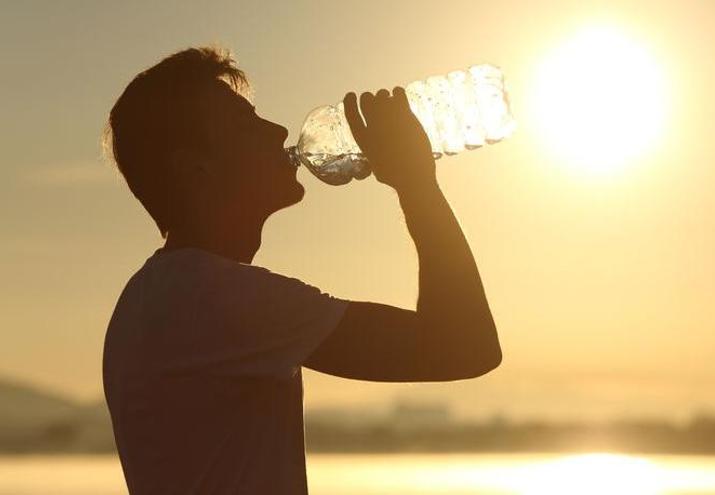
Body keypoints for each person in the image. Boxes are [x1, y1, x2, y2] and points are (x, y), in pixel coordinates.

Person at [102, 47, 502, 494]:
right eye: (247, 125)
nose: (277, 131)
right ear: (197, 169)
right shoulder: (210, 296)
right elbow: (465, 347)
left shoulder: (159, 296)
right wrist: (416, 182)